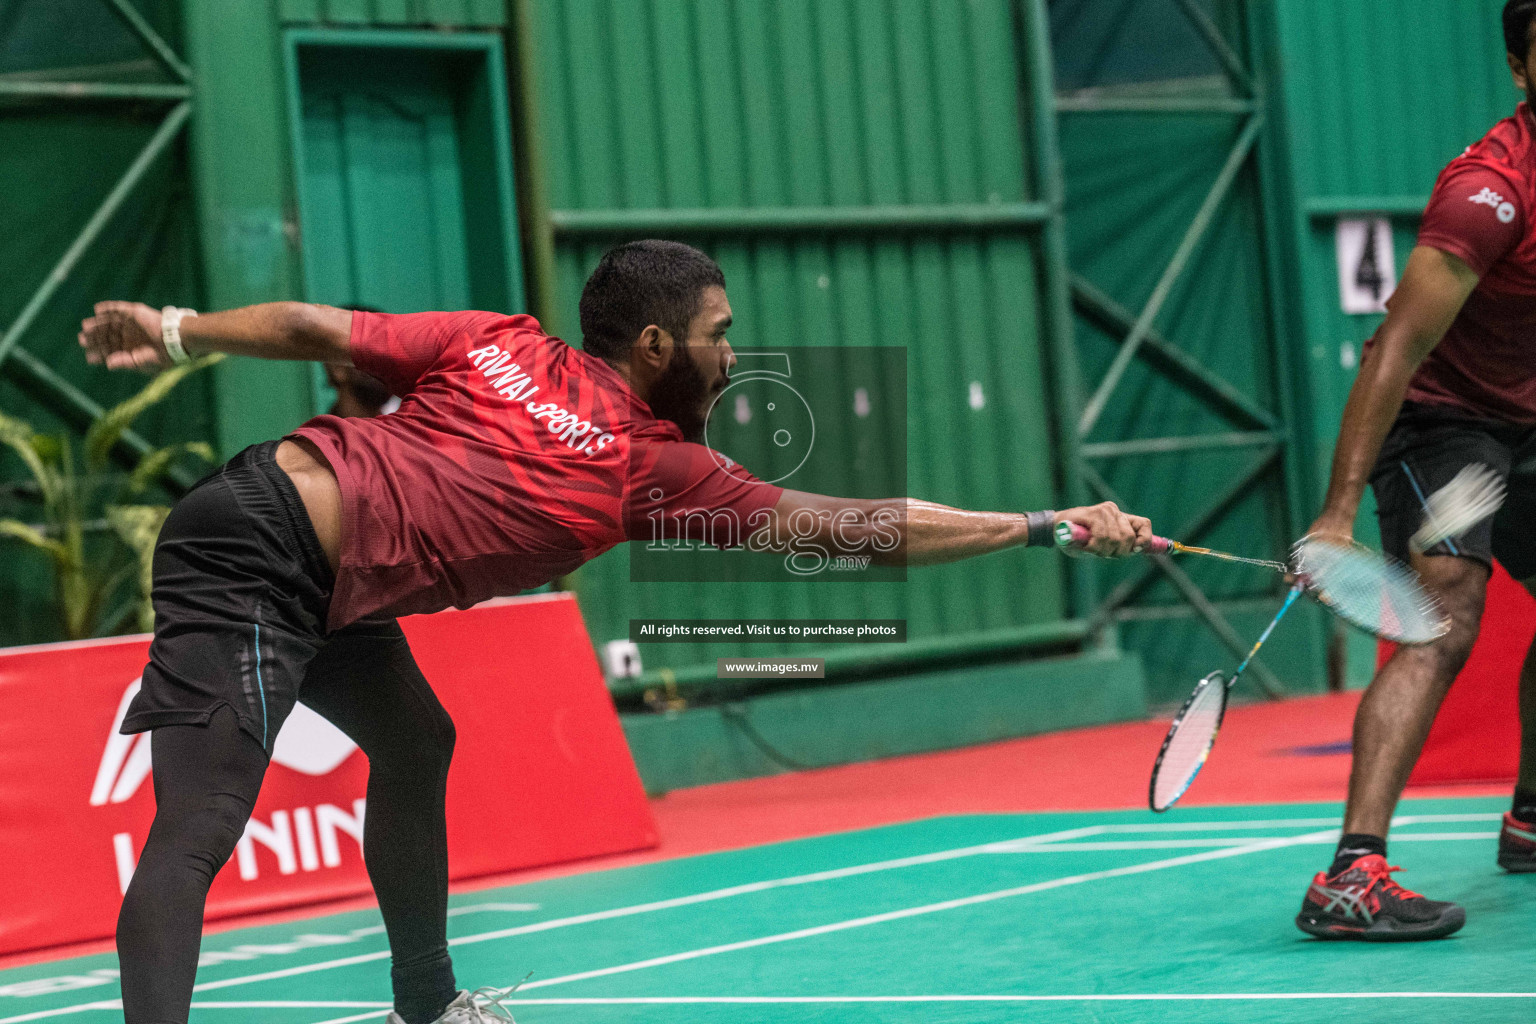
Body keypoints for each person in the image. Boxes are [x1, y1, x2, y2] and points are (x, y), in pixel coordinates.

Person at [80, 239, 1155, 1023]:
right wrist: (1042, 525)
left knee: (417, 739)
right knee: (200, 826)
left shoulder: (498, 342)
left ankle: (430, 1005)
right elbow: (858, 527)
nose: (733, 357)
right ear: (655, 343)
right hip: (254, 558)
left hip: (317, 554)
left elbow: (322, 330)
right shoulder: (653, 468)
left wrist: (173, 329)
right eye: (718, 335)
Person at [1294, 0, 1536, 942]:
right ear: (1521, 69)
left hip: (1529, 420)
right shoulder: (1490, 190)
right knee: (1442, 619)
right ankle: (1350, 873)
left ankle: (1529, 818)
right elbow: (1393, 349)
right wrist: (1336, 514)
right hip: (1445, 421)